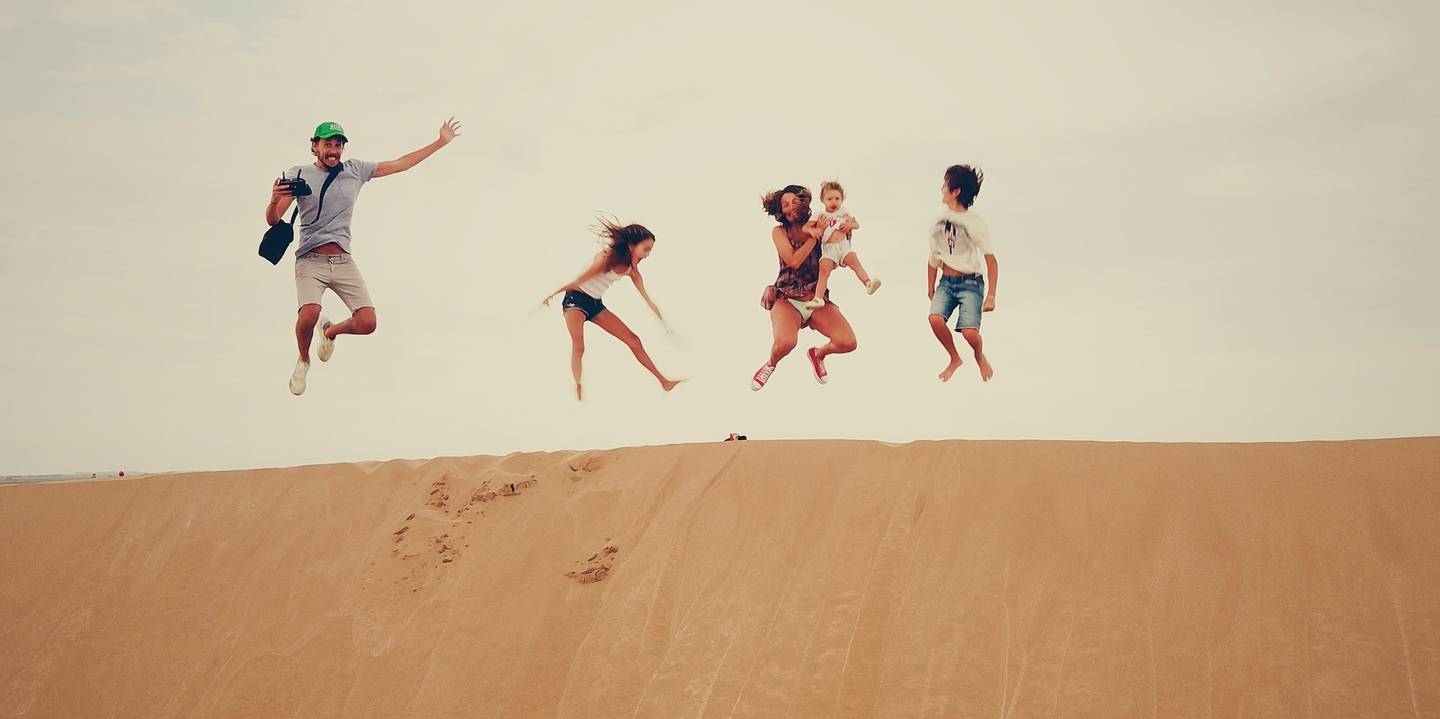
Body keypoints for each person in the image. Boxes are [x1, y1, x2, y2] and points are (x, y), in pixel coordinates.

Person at [266, 117, 461, 395]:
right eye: (327, 144)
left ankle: (330, 332)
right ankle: (304, 359)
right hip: (310, 259)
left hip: (343, 260)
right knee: (309, 314)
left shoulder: (355, 170)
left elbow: (401, 163)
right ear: (314, 147)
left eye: (338, 145)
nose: (333, 150)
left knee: (368, 323)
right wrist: (274, 200)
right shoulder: (298, 174)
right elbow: (274, 220)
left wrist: (440, 142)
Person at [541, 218, 683, 400]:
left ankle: (664, 382)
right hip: (575, 300)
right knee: (579, 345)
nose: (647, 255)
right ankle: (577, 384)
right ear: (632, 246)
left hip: (595, 304)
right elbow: (578, 282)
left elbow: (648, 299)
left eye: (650, 251)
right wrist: (551, 295)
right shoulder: (605, 258)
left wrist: (664, 322)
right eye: (646, 249)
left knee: (634, 340)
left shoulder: (632, 270)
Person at [750, 185, 859, 391]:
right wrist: (813, 237)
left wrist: (848, 227)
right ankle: (770, 364)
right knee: (786, 343)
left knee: (848, 342)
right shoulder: (779, 231)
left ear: (804, 204)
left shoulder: (820, 223)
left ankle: (817, 355)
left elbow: (839, 249)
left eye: (794, 202)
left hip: (815, 299)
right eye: (785, 205)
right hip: (787, 298)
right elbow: (793, 261)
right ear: (780, 211)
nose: (790, 208)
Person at [927, 164, 998, 382]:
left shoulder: (974, 223)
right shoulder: (939, 221)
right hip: (946, 283)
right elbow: (933, 257)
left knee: (969, 332)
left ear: (956, 191)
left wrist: (991, 295)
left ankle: (978, 355)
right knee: (935, 319)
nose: (941, 189)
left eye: (945, 185)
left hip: (970, 284)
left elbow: (990, 259)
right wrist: (930, 287)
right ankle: (954, 358)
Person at [802, 180, 879, 309]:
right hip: (829, 249)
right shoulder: (820, 215)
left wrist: (851, 224)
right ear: (823, 200)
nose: (834, 202)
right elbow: (805, 227)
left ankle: (868, 283)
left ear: (842, 199)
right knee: (824, 269)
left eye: (837, 198)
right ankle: (818, 298)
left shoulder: (843, 212)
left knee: (854, 261)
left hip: (843, 246)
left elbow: (856, 224)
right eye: (829, 199)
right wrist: (813, 230)